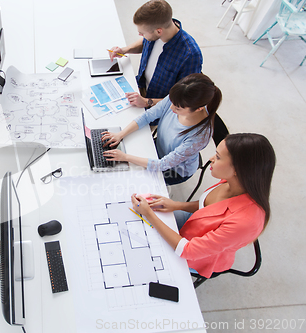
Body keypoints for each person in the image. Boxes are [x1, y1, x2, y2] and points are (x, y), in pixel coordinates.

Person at [132, 133, 276, 278]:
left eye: (218, 157)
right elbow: (206, 206)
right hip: (194, 224)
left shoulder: (246, 222)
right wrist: (175, 205)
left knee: (142, 257)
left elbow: (187, 251)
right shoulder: (234, 182)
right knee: (140, 223)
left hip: (196, 256)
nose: (211, 159)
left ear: (238, 170)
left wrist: (148, 214)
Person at [101, 73, 221, 185]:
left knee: (131, 180)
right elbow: (148, 116)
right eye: (172, 102)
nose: (171, 108)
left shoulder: (199, 136)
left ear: (199, 109)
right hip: (159, 148)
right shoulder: (179, 97)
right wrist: (120, 134)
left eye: (178, 108)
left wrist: (125, 157)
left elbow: (162, 165)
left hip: (175, 170)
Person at [109, 0, 202, 109]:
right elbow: (145, 42)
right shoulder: (157, 32)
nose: (140, 35)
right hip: (141, 87)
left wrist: (146, 102)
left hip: (157, 107)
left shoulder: (190, 55)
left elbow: (184, 100)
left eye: (142, 33)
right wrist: (125, 50)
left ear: (159, 31)